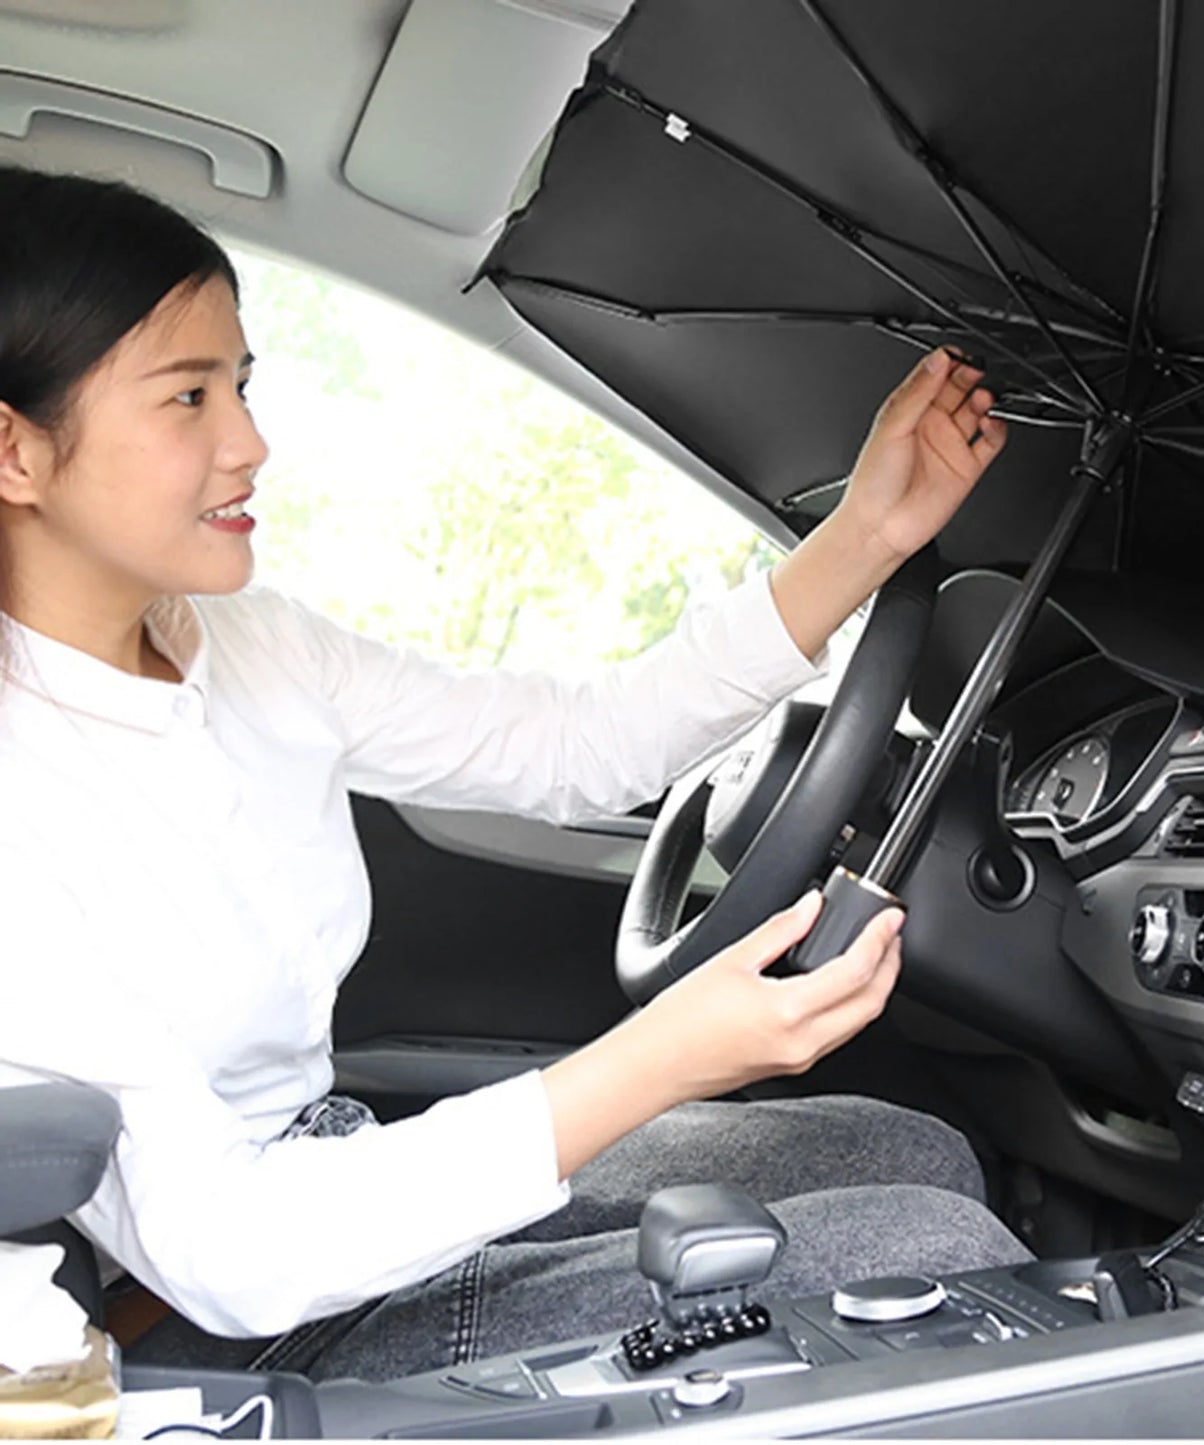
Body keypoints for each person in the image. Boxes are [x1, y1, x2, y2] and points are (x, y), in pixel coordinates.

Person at [0, 166, 1029, 1382]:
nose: (251, 443)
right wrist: (666, 1052)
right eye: (187, 397)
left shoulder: (249, 645)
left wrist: (865, 535)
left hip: (338, 1169)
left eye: (243, 383)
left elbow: (578, 747)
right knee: (930, 1240)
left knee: (913, 1149)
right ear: (14, 452)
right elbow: (231, 1250)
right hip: (223, 1314)